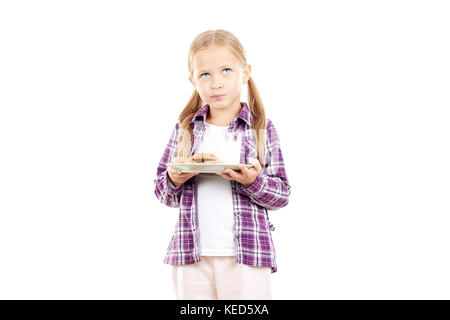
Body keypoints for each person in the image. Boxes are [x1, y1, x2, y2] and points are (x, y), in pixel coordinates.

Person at [153, 29, 291, 300]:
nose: (216, 83)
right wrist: (175, 178)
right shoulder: (186, 130)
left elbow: (282, 194)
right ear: (193, 80)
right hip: (191, 254)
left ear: (245, 72)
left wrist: (253, 181)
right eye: (205, 74)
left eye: (226, 70)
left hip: (247, 254)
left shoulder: (261, 129)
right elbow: (161, 191)